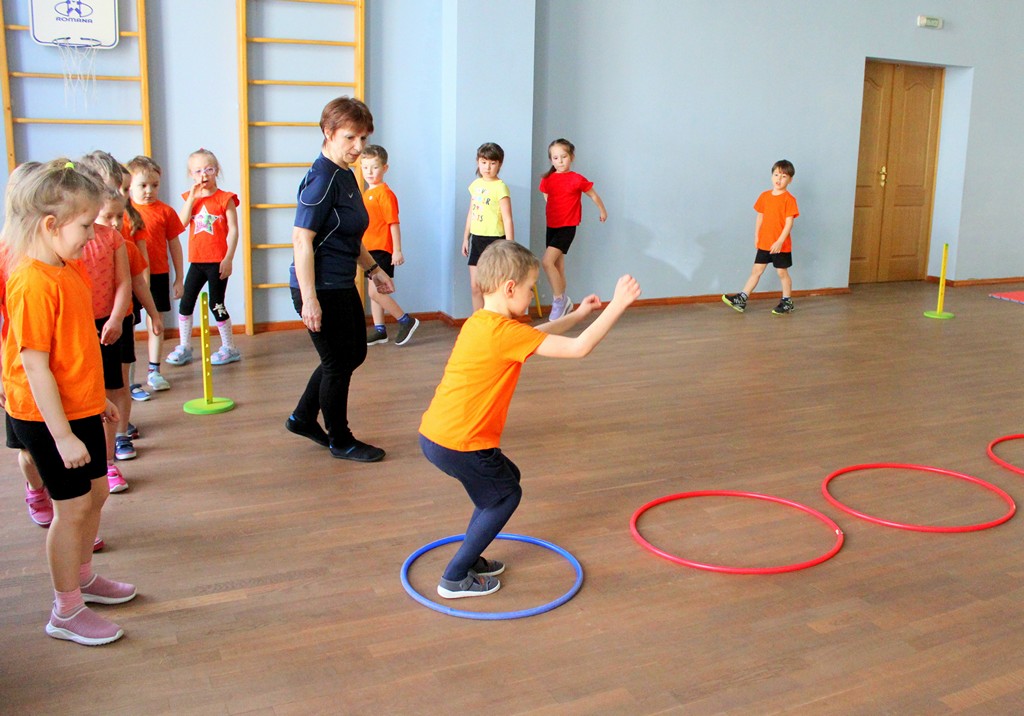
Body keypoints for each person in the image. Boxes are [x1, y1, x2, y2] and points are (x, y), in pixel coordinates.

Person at [419, 240, 641, 598]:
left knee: (504, 482)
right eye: (530, 288)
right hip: (462, 442)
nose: (532, 294)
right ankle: (455, 576)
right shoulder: (503, 332)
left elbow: (532, 337)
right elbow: (579, 348)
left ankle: (471, 557)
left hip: (439, 435)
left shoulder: (482, 323)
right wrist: (618, 305)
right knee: (505, 496)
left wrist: (578, 315)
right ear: (510, 288)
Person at [1, 159, 136, 645]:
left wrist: (97, 398)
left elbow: (76, 347)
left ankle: (83, 578)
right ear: (50, 225)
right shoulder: (32, 282)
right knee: (72, 508)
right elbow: (36, 366)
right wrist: (61, 435)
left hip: (78, 407)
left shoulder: (67, 267)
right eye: (85, 226)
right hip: (44, 415)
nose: (93, 236)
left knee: (96, 495)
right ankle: (65, 609)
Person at [286, 96, 396, 462]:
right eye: (350, 137)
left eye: (363, 138)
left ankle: (303, 418)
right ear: (328, 132)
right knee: (337, 362)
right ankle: (340, 439)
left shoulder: (345, 173)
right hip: (319, 287)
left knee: (353, 353)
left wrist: (374, 270)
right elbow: (301, 240)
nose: (358, 147)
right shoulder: (321, 180)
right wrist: (310, 299)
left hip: (340, 281)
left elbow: (348, 234)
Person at [93, 187, 162, 461]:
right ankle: (101, 440)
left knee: (120, 383)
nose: (114, 223)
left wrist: (154, 314)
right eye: (107, 216)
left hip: (121, 323)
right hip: (92, 326)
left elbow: (138, 283)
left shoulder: (126, 246)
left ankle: (121, 434)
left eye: (119, 216)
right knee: (98, 386)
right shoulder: (81, 246)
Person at [165, 148, 241, 367]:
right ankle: (184, 346)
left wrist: (228, 258)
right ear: (191, 175)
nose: (203, 175)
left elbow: (234, 230)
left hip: (218, 262)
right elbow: (179, 225)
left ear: (216, 170)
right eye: (198, 171)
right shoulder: (191, 199)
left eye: (208, 169)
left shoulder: (225, 199)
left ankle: (229, 347)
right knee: (186, 303)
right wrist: (192, 198)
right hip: (197, 262)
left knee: (217, 304)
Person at [125, 155, 185, 392]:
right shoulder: (124, 213)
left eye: (154, 185)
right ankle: (128, 380)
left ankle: (154, 370)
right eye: (143, 185)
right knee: (128, 327)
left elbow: (175, 245)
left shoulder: (166, 211)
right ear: (130, 185)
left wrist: (179, 278)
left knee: (156, 323)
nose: (149, 190)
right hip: (132, 277)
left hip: (158, 274)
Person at [538, 138, 607, 320]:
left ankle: (559, 300)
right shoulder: (547, 179)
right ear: (551, 160)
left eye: (564, 157)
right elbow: (546, 194)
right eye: (555, 158)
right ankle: (565, 303)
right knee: (558, 265)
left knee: (547, 262)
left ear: (571, 157)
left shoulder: (576, 179)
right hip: (551, 225)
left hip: (567, 227)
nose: (560, 161)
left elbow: (593, 195)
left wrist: (602, 210)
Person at [722, 159, 800, 315]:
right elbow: (760, 217)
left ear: (790, 180)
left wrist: (780, 241)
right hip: (764, 242)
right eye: (776, 175)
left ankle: (787, 302)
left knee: (781, 272)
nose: (779, 179)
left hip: (780, 245)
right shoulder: (764, 196)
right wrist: (757, 236)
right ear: (771, 176)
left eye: (784, 176)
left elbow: (789, 223)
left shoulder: (789, 199)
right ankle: (742, 299)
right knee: (756, 270)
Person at [360, 144, 419, 346]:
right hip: (368, 250)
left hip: (382, 249)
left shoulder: (385, 194)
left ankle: (405, 320)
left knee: (375, 291)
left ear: (385, 168)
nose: (369, 172)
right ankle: (380, 330)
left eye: (374, 167)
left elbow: (393, 223)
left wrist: (397, 250)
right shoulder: (367, 193)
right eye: (365, 167)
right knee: (375, 292)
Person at [462, 142, 513, 312]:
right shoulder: (475, 185)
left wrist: (510, 246)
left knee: (493, 287)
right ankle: (478, 320)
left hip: (495, 241)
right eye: (483, 162)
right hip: (477, 239)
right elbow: (471, 212)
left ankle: (495, 320)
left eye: (492, 163)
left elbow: (507, 218)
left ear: (499, 164)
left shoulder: (500, 187)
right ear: (478, 162)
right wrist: (465, 238)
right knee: (475, 286)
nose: (487, 167)